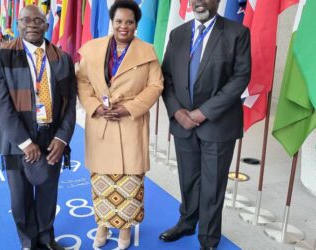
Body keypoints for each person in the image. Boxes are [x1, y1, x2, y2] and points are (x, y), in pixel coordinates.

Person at [159, 0, 251, 249]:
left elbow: (240, 77)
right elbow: (165, 76)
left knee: (212, 185)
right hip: (182, 123)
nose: (199, 2)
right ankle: (187, 222)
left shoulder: (237, 32)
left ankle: (208, 237)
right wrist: (177, 111)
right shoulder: (177, 34)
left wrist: (202, 113)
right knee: (188, 179)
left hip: (217, 124)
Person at [0, 5, 76, 250]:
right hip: (16, 138)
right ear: (18, 23)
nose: (33, 24)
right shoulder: (2, 55)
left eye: (39, 20)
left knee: (48, 192)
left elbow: (70, 103)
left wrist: (62, 138)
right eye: (27, 20)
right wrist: (24, 141)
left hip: (51, 136)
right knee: (20, 196)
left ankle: (46, 238)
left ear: (47, 25)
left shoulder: (62, 58)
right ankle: (28, 241)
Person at [76, 1, 163, 249]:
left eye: (129, 21)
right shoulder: (92, 50)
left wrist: (130, 108)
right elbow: (82, 82)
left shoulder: (148, 52)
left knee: (130, 182)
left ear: (136, 24)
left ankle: (125, 230)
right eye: (119, 21)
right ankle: (102, 226)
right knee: (101, 181)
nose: (123, 26)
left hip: (130, 124)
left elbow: (156, 85)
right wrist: (94, 106)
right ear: (111, 22)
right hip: (101, 123)